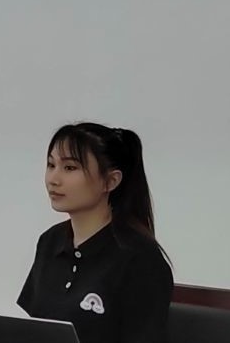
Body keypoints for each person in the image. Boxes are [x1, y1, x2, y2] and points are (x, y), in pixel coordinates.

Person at [17, 122, 172, 343]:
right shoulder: (50, 241)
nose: (53, 179)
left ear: (111, 181)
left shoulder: (140, 259)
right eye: (51, 165)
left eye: (70, 168)